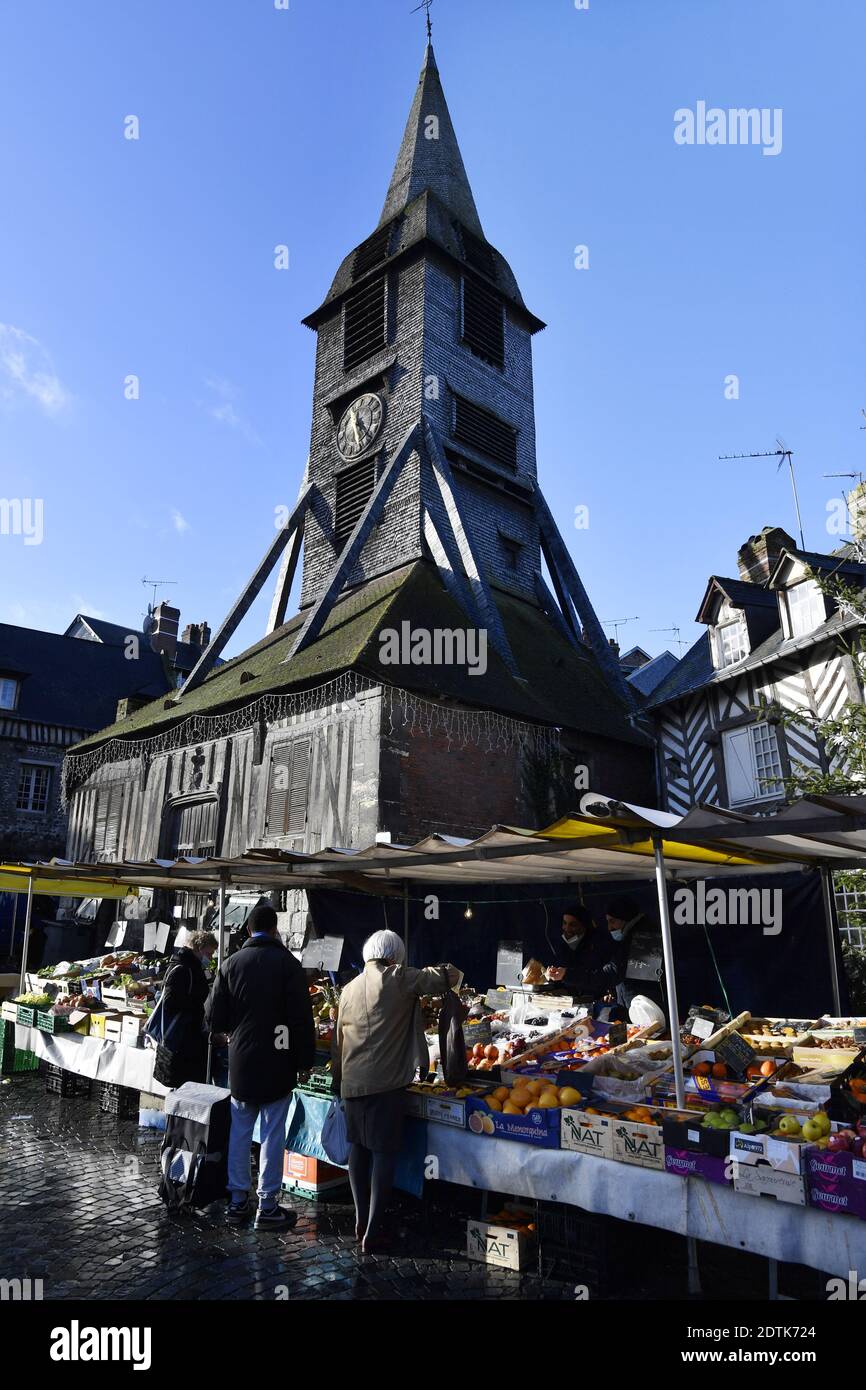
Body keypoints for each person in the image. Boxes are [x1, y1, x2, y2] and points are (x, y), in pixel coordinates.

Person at [332, 930, 459, 1255]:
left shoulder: (348, 989)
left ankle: (361, 1218)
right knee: (383, 1153)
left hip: (352, 1082)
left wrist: (338, 1082)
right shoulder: (396, 976)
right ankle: (374, 1230)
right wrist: (449, 971)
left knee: (357, 1150)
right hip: (384, 1084)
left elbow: (338, 1043)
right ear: (394, 956)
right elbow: (440, 978)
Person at [206, 903, 316, 1231]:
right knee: (271, 1135)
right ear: (274, 929)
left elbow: (213, 1018)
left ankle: (238, 1201)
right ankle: (267, 1205)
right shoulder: (288, 965)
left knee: (240, 1133)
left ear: (249, 929)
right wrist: (304, 1062)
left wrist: (233, 1033)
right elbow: (301, 1021)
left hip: (240, 1062)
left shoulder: (230, 964)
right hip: (277, 1063)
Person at [156, 929, 217, 1087]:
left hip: (186, 1042)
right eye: (209, 954)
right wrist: (198, 1006)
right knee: (184, 1091)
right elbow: (171, 1002)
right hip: (182, 1043)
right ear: (199, 948)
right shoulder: (183, 969)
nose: (210, 959)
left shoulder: (190, 967)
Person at [600, 895, 666, 1014]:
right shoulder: (631, 935)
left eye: (612, 921)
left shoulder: (645, 935)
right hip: (636, 1005)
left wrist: (569, 974)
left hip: (646, 1008)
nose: (609, 928)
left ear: (625, 918)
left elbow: (619, 972)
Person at [544, 903, 614, 996]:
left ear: (584, 925)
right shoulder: (561, 946)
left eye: (573, 924)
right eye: (565, 923)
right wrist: (551, 975)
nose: (567, 928)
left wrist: (566, 975)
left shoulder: (598, 944)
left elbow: (600, 977)